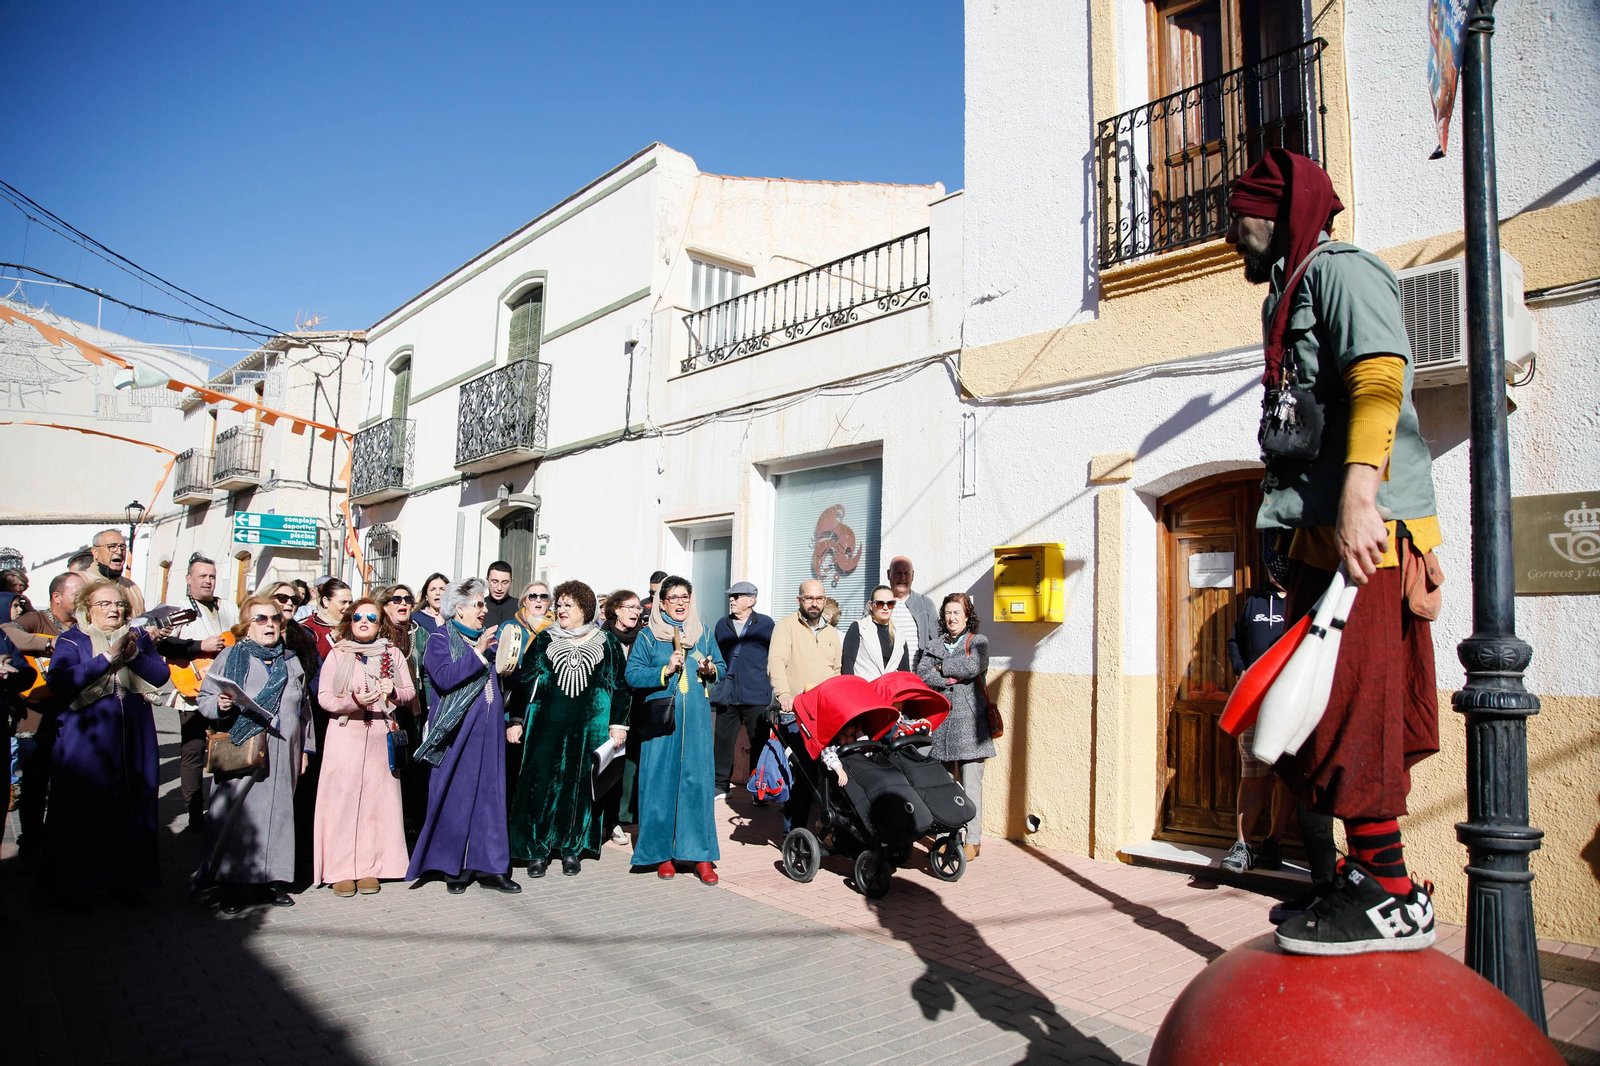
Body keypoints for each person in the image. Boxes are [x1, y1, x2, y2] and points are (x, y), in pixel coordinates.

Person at [1226, 147, 1440, 955]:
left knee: (1354, 716)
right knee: (1303, 724)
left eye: (1236, 219)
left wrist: (1358, 499)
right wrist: (1282, 535)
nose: (1229, 238)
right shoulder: (1287, 293)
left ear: (1274, 214)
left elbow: (1380, 375)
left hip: (1370, 544)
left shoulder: (1342, 272)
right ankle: (1355, 878)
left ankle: (1390, 892)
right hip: (1322, 546)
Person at [38, 580, 167, 907]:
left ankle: (125, 881)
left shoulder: (136, 638)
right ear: (87, 608)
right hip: (87, 740)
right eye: (105, 604)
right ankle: (78, 885)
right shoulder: (72, 640)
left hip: (134, 736)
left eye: (119, 604)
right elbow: (60, 681)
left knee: (132, 806)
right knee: (85, 810)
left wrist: (134, 655)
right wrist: (107, 658)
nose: (114, 610)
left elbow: (160, 675)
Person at [197, 596, 315, 913]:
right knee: (239, 817)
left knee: (278, 815)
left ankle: (271, 881)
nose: (270, 624)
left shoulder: (290, 659)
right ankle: (232, 885)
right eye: (261, 619)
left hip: (283, 750)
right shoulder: (230, 656)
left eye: (275, 618)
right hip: (243, 748)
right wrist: (219, 705)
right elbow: (206, 698)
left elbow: (304, 708)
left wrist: (305, 748)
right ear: (247, 624)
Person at [506, 581, 629, 877]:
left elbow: (621, 686)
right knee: (540, 786)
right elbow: (525, 682)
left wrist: (618, 725)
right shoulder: (544, 639)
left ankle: (571, 848)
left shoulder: (607, 641)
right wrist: (516, 721)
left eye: (567, 605)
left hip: (590, 728)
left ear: (585, 609)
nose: (560, 610)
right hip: (545, 725)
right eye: (558, 604)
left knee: (579, 788)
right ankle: (538, 851)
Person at [407, 577, 520, 895]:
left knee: (491, 798)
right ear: (459, 608)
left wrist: (509, 656)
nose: (484, 609)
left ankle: (493, 867)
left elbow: (508, 677)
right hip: (456, 734)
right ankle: (452, 867)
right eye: (479, 604)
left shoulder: (488, 640)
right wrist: (479, 654)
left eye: (484, 603)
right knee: (455, 797)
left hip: (490, 733)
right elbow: (443, 679)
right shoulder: (440, 638)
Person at [625, 576, 725, 885]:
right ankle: (662, 854)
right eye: (674, 598)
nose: (680, 603)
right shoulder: (649, 637)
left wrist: (711, 670)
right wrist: (664, 670)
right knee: (659, 784)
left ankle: (701, 856)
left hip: (695, 723)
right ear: (662, 602)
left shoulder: (703, 633)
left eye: (685, 597)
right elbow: (632, 675)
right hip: (660, 724)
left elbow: (719, 668)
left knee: (697, 786)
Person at [315, 597, 414, 897]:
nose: (364, 622)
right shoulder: (338, 653)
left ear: (380, 624)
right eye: (358, 616)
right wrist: (354, 701)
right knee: (342, 803)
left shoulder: (391, 653)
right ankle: (341, 869)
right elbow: (324, 698)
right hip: (345, 735)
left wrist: (393, 691)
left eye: (371, 618)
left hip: (378, 737)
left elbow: (409, 692)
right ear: (349, 620)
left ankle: (371, 866)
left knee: (376, 803)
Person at [1221, 542, 1295, 875]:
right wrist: (1240, 669)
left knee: (1284, 776)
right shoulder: (1253, 602)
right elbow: (1234, 639)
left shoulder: (1303, 602)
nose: (1277, 575)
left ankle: (1274, 843)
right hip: (1252, 700)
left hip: (1289, 702)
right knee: (1252, 774)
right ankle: (1243, 845)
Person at [7, 572, 83, 854]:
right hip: (35, 714)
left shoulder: (82, 625)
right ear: (57, 597)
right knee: (35, 784)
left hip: (70, 713)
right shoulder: (35, 619)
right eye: (77, 594)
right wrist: (47, 645)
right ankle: (30, 840)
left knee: (68, 781)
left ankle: (58, 840)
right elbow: (6, 630)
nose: (82, 600)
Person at [162, 554, 239, 832]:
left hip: (225, 691)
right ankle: (194, 812)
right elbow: (163, 644)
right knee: (193, 751)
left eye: (212, 576)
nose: (207, 581)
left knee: (227, 749)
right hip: (193, 689)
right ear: (188, 579)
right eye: (202, 576)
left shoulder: (229, 608)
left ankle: (224, 807)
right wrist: (198, 646)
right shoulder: (177, 608)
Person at [916, 593, 994, 862]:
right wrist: (949, 673)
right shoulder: (934, 644)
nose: (952, 618)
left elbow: (974, 665)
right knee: (944, 786)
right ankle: (944, 836)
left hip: (971, 725)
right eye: (948, 613)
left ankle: (973, 839)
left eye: (957, 613)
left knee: (971, 785)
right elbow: (922, 674)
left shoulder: (978, 642)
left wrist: (942, 668)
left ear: (967, 615)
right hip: (941, 724)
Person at [767, 579, 843, 835]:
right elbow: (776, 662)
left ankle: (834, 830)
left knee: (836, 771)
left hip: (827, 715)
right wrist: (784, 695)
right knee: (807, 773)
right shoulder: (786, 626)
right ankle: (795, 833)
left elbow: (836, 671)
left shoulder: (831, 632)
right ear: (799, 600)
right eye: (809, 598)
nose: (814, 603)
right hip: (796, 714)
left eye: (819, 598)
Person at [711, 581, 773, 800]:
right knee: (722, 741)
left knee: (759, 742)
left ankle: (759, 789)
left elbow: (774, 657)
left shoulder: (765, 624)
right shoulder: (722, 624)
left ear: (751, 600)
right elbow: (714, 653)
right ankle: (720, 785)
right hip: (728, 694)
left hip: (757, 695)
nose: (732, 600)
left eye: (737, 596)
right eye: (731, 596)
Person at [379, 583, 431, 839]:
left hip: (414, 709)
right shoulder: (377, 632)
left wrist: (431, 705)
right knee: (388, 767)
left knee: (412, 766)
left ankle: (410, 823)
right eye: (396, 599)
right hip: (384, 711)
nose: (403, 603)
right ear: (385, 604)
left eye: (407, 599)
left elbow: (429, 674)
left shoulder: (419, 634)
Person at [598, 589, 644, 845]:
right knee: (605, 765)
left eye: (638, 608)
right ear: (615, 609)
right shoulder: (602, 637)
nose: (636, 612)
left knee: (628, 768)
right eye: (630, 607)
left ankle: (618, 820)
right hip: (606, 712)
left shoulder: (644, 638)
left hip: (636, 712)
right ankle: (601, 819)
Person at [841, 585, 911, 679]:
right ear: (871, 605)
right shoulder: (859, 627)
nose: (885, 608)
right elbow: (847, 662)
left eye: (890, 604)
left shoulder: (899, 633)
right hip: (865, 689)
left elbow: (905, 670)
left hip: (889, 691)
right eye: (880, 604)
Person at [886, 556, 936, 664]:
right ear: (888, 574)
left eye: (906, 573)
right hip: (886, 676)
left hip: (917, 676)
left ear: (912, 575)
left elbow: (936, 642)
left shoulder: (925, 605)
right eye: (898, 573)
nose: (902, 577)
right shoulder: (878, 605)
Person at [87, 529, 145, 616]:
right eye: (112, 546)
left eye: (123, 547)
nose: (119, 552)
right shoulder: (81, 582)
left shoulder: (132, 587)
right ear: (95, 552)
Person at [303, 577, 351, 661]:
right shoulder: (310, 629)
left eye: (350, 602)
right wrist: (331, 639)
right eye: (343, 602)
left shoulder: (353, 625)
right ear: (326, 602)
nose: (348, 607)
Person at [483, 561, 518, 629]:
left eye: (505, 583)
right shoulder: (479, 607)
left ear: (511, 581)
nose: (499, 588)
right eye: (494, 582)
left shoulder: (519, 608)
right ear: (487, 580)